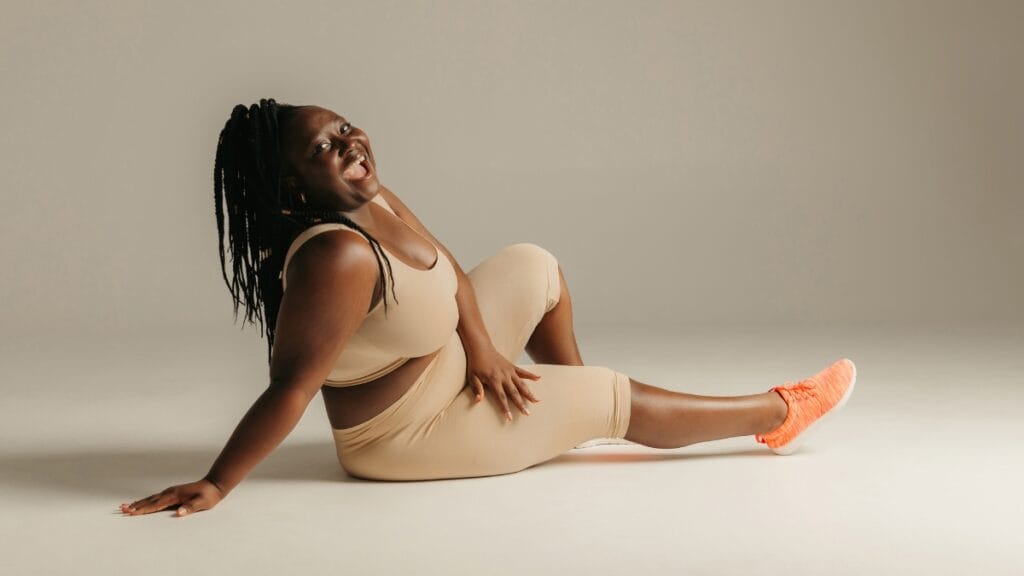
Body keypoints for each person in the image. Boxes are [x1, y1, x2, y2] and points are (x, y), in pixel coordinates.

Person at [119, 98, 856, 517]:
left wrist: (483, 352)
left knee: (534, 265)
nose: (351, 145)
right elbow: (292, 386)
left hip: (444, 368)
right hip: (408, 436)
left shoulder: (373, 196)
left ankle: (574, 421)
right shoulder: (335, 258)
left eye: (345, 129)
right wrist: (218, 482)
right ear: (293, 192)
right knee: (609, 394)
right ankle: (777, 412)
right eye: (325, 150)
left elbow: (457, 281)